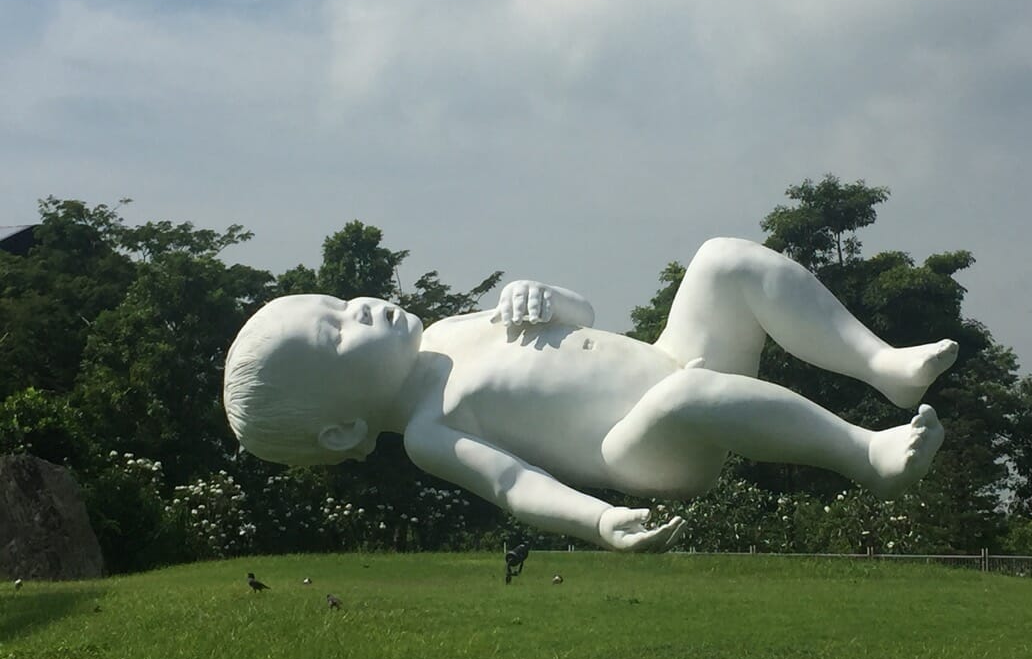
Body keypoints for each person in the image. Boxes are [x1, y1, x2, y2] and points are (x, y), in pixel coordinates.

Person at [224, 237, 957, 553]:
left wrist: (551, 298)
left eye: (335, 301)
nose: (358, 307)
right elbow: (516, 486)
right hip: (639, 447)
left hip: (671, 357)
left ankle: (882, 365)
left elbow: (581, 323)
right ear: (340, 430)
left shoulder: (448, 327)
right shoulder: (428, 429)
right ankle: (867, 454)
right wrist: (598, 522)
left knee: (722, 261)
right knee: (685, 398)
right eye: (334, 335)